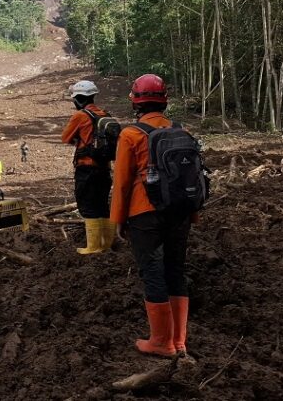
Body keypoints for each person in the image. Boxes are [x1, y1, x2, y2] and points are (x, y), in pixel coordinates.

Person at [111, 74, 189, 357]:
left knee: (153, 272)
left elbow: (121, 182)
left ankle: (160, 341)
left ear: (135, 101)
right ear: (164, 101)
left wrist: (118, 220)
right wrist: (193, 215)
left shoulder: (131, 135)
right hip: (179, 212)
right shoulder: (181, 130)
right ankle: (179, 341)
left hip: (145, 215)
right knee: (176, 271)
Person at [61, 80, 114, 254]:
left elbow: (66, 137)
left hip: (87, 169)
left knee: (88, 206)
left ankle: (93, 247)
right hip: (105, 168)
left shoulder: (80, 116)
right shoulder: (105, 114)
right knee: (102, 206)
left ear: (78, 99)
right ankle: (106, 245)